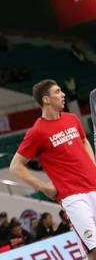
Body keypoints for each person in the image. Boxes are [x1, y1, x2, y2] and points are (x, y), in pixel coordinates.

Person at [10, 79, 96, 258]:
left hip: (94, 186)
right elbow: (15, 166)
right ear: (46, 99)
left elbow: (83, 141)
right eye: (57, 92)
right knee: (94, 248)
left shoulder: (72, 119)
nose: (63, 94)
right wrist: (44, 187)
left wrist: (93, 166)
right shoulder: (37, 132)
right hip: (73, 197)